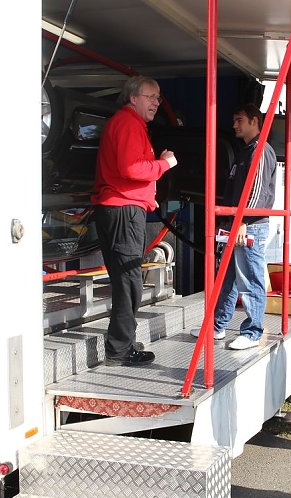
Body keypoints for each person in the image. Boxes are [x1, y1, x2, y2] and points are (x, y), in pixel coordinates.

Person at [94, 76, 177, 366]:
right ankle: (119, 349)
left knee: (125, 279)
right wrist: (164, 164)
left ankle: (123, 341)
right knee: (129, 281)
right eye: (151, 96)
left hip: (120, 209)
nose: (157, 102)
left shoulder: (127, 123)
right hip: (124, 211)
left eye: (158, 97)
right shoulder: (128, 123)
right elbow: (132, 168)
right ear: (133, 98)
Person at [191, 104, 276, 350]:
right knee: (227, 277)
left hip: (248, 226)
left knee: (249, 279)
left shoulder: (260, 150)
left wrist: (243, 222)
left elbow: (257, 191)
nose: (235, 125)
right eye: (234, 120)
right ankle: (218, 326)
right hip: (236, 225)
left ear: (254, 121)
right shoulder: (246, 151)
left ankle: (252, 332)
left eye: (239, 120)